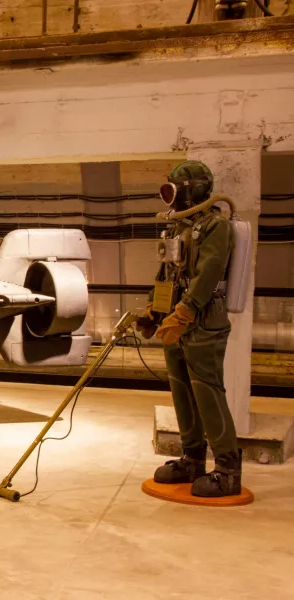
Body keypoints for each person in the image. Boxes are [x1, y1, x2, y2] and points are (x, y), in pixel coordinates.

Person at [136, 160, 242, 497]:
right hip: (175, 322)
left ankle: (227, 470)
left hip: (203, 322)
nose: (169, 195)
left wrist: (184, 312)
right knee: (181, 392)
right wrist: (154, 310)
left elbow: (210, 272)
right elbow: (166, 272)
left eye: (174, 188)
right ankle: (192, 459)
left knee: (208, 394)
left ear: (193, 188)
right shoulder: (176, 228)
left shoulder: (216, 226)